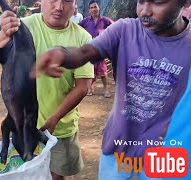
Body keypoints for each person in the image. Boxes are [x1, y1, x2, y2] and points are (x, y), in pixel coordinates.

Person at [33, 0, 191, 179]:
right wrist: (62, 54)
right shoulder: (125, 31)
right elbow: (84, 52)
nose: (145, 11)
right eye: (140, 1)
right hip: (118, 143)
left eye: (158, 2)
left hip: (165, 151)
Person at [0, 0, 94, 179]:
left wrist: (55, 118)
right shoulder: (25, 25)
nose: (59, 7)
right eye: (53, 0)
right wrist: (4, 33)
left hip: (60, 128)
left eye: (67, 1)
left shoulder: (83, 38)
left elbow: (82, 87)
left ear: (75, 5)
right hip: (25, 126)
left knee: (57, 175)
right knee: (29, 172)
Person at [79, 0, 113, 97]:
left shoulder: (105, 20)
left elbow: (115, 28)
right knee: (90, 70)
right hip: (89, 50)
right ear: (89, 10)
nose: (94, 9)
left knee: (103, 70)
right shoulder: (85, 21)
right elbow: (77, 29)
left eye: (95, 7)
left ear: (99, 8)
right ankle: (90, 88)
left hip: (101, 50)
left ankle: (106, 89)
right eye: (91, 8)